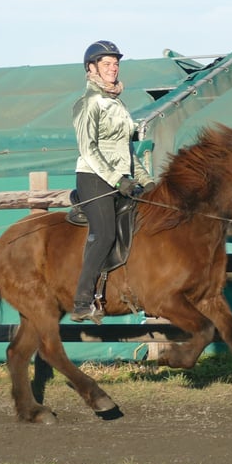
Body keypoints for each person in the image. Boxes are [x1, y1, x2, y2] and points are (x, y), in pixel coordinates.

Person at [70, 40, 155, 323]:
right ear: (91, 69)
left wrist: (148, 181)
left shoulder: (117, 104)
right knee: (105, 234)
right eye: (106, 63)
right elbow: (88, 149)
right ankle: (82, 300)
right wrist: (119, 181)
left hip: (122, 179)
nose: (113, 68)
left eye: (116, 63)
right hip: (93, 178)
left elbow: (127, 150)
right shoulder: (88, 103)